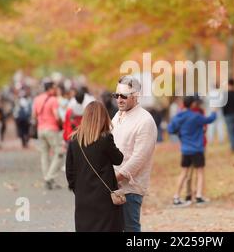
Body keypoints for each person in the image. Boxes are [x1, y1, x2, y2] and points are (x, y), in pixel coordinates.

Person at [66, 101, 124, 232]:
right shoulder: (105, 139)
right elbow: (118, 159)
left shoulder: (74, 140)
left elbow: (69, 172)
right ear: (103, 117)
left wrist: (78, 190)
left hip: (83, 197)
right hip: (105, 198)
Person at [110, 75, 157, 232]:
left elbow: (139, 158)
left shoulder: (145, 121)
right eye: (116, 95)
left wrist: (114, 178)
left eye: (124, 96)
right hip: (112, 185)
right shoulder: (118, 116)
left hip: (131, 189)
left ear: (136, 96)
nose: (119, 99)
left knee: (130, 229)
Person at [168, 96, 216, 207]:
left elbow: (170, 129)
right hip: (197, 149)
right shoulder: (196, 116)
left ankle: (176, 197)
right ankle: (198, 196)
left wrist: (180, 133)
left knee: (183, 173)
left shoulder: (178, 116)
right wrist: (214, 112)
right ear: (193, 104)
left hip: (185, 149)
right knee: (200, 172)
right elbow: (210, 120)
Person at [32, 81, 64, 190]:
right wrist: (61, 124)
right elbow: (56, 116)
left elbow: (34, 115)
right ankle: (49, 177)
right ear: (50, 89)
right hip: (51, 129)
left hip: (40, 129)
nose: (56, 90)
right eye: (54, 88)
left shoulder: (37, 99)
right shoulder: (53, 100)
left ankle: (47, 178)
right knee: (59, 152)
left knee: (44, 154)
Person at [223, 79, 234, 152]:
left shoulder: (226, 94)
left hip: (228, 115)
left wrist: (224, 113)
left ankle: (233, 148)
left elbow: (224, 105)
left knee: (231, 132)